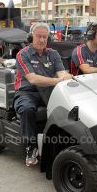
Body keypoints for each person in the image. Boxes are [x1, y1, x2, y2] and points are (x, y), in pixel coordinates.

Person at [13, 22, 72, 167]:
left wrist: (66, 76)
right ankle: (31, 146)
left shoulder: (53, 54)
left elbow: (62, 73)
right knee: (27, 109)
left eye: (45, 37)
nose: (41, 40)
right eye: (38, 36)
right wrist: (59, 80)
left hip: (49, 91)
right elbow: (33, 79)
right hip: (27, 92)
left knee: (71, 108)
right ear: (32, 37)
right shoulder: (23, 54)